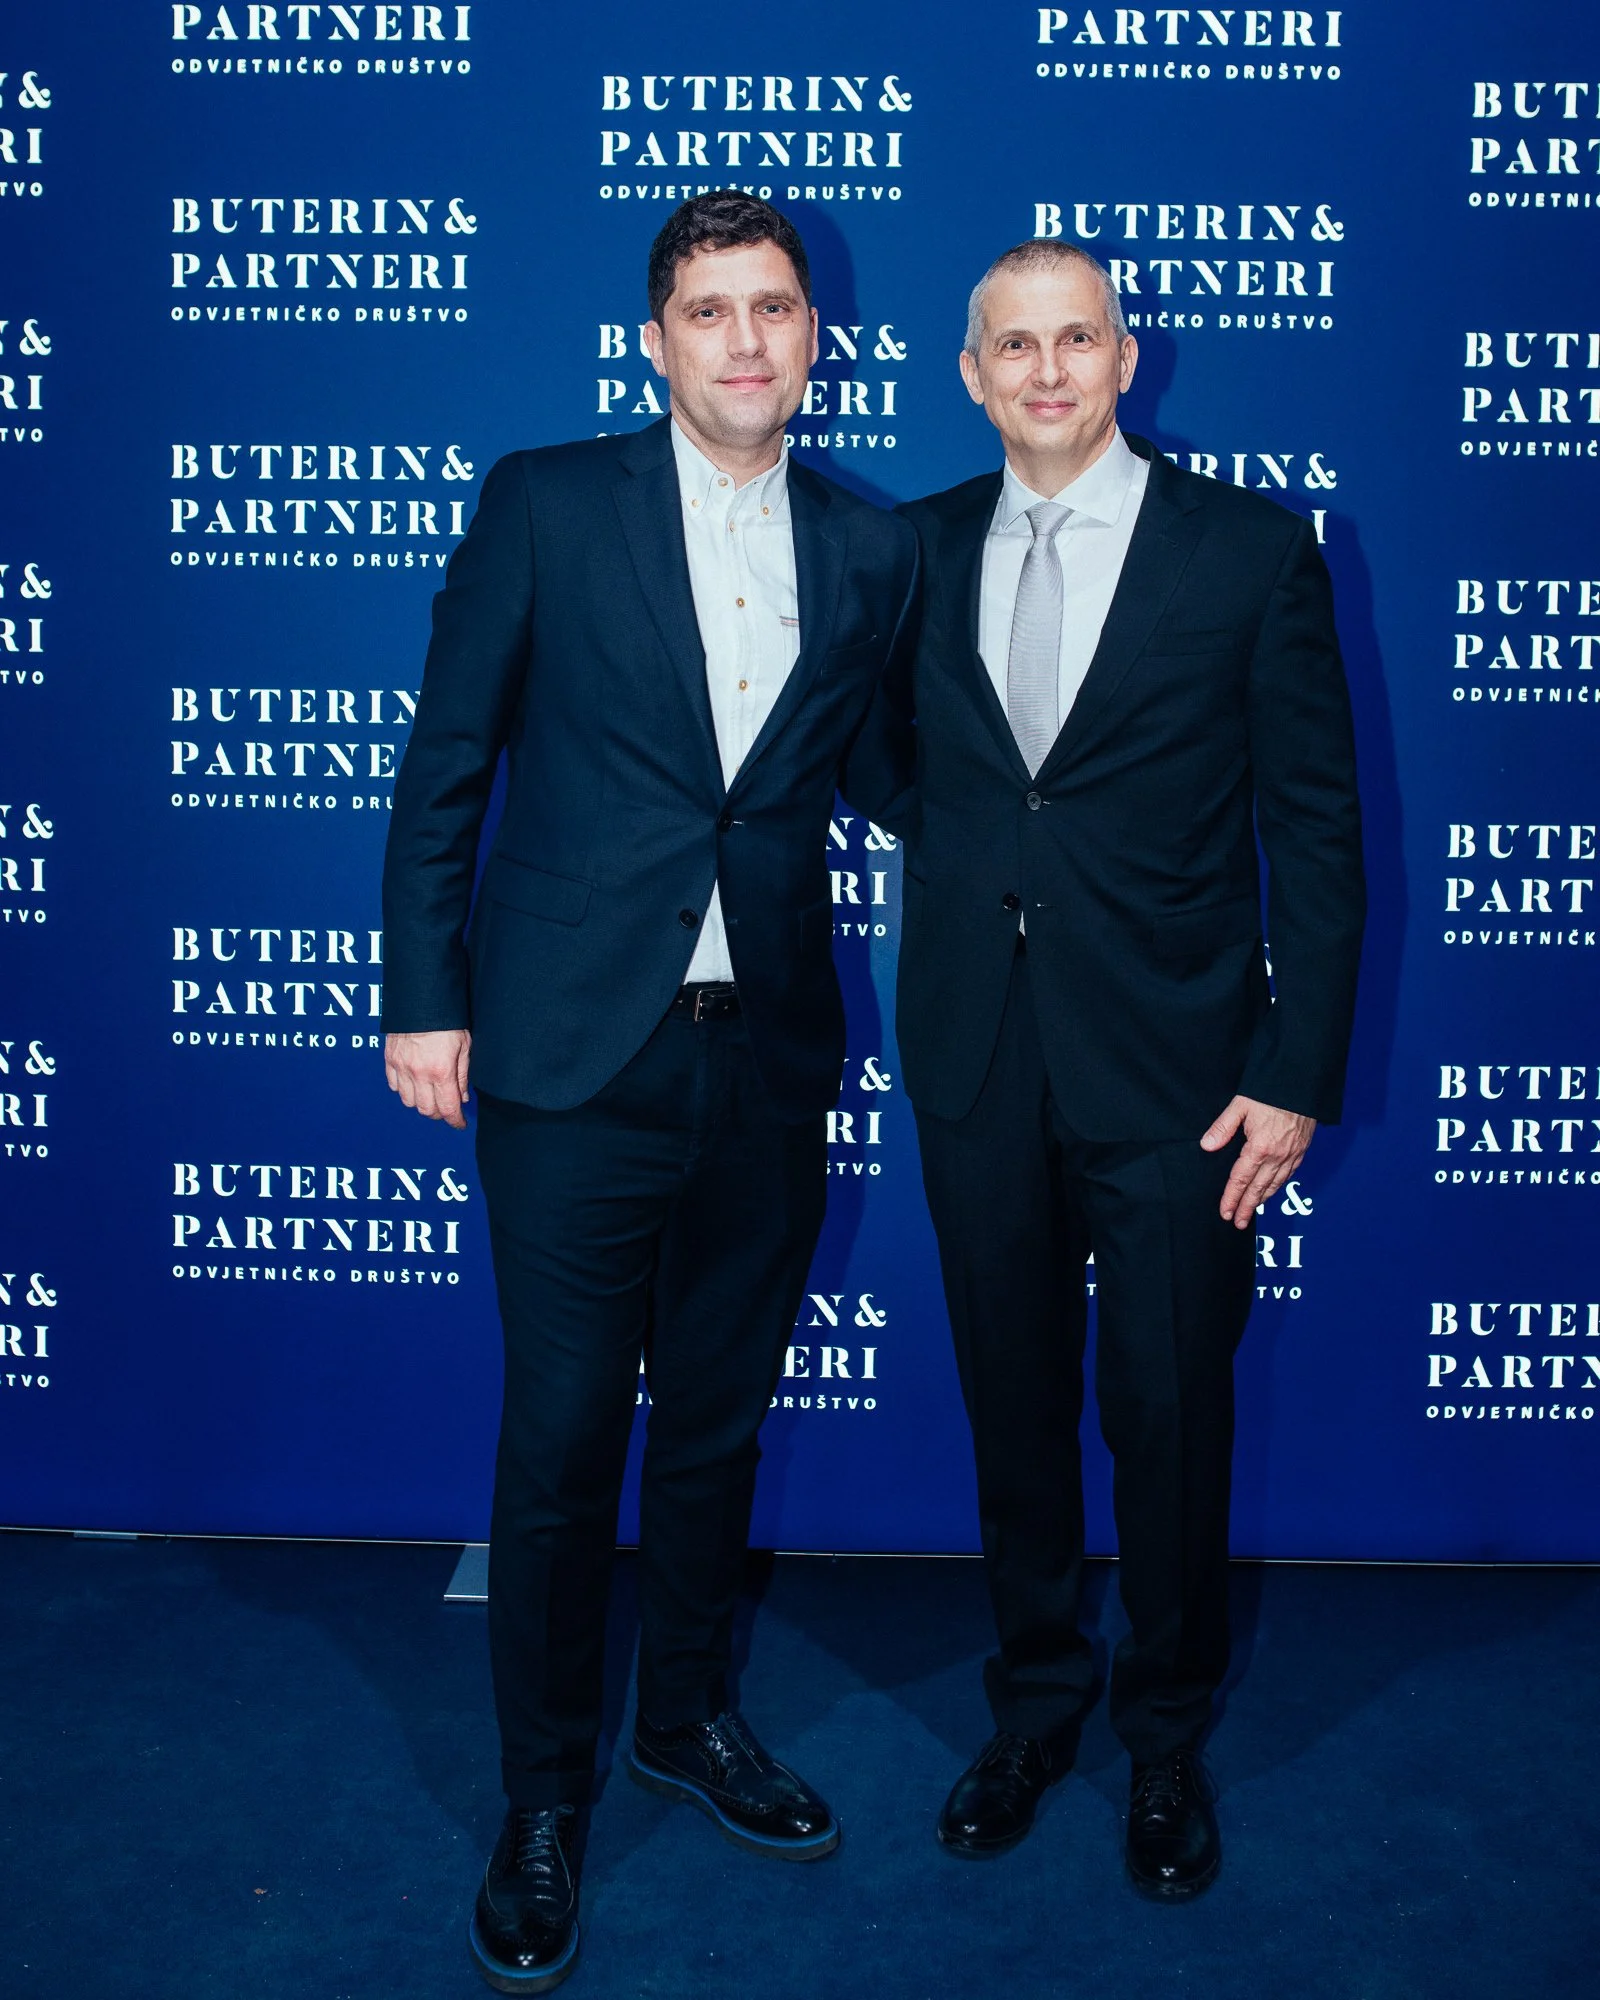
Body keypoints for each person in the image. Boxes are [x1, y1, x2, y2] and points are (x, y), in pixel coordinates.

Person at [380, 192, 918, 1992]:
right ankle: (544, 1799)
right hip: (564, 1052)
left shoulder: (870, 549)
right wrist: (420, 997)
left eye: (775, 307)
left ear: (815, 335)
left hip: (761, 1056)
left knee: (709, 1426)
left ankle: (684, 1721)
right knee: (555, 1446)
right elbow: (447, 760)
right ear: (657, 339)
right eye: (711, 311)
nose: (748, 339)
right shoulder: (546, 499)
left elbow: (920, 783)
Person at [865, 241, 1364, 1899]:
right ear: (972, 373)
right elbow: (908, 777)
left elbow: (1319, 827)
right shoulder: (915, 552)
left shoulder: (1250, 549)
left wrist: (1295, 1070)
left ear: (1125, 355)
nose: (1050, 370)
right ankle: (1032, 1706)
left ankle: (1163, 1738)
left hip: (1184, 1077)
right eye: (1016, 345)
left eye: (1078, 337)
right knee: (1014, 1411)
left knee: (1169, 1416)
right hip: (976, 1057)